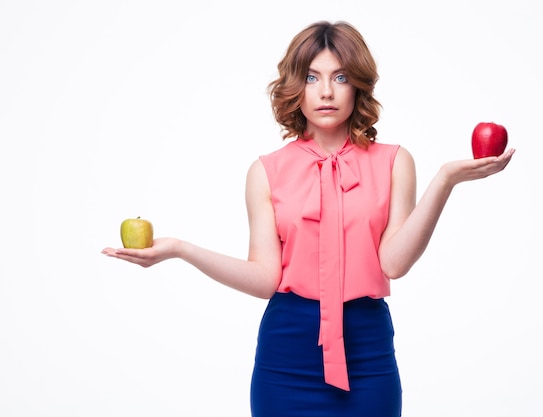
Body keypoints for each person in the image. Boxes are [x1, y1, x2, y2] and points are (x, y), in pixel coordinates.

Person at [102, 20, 515, 417]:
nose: (326, 92)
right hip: (287, 355)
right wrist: (180, 249)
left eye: (339, 78)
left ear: (357, 85)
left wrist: (445, 180)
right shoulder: (266, 170)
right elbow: (265, 278)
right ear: (295, 88)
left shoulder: (394, 162)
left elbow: (394, 264)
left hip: (367, 350)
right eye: (312, 78)